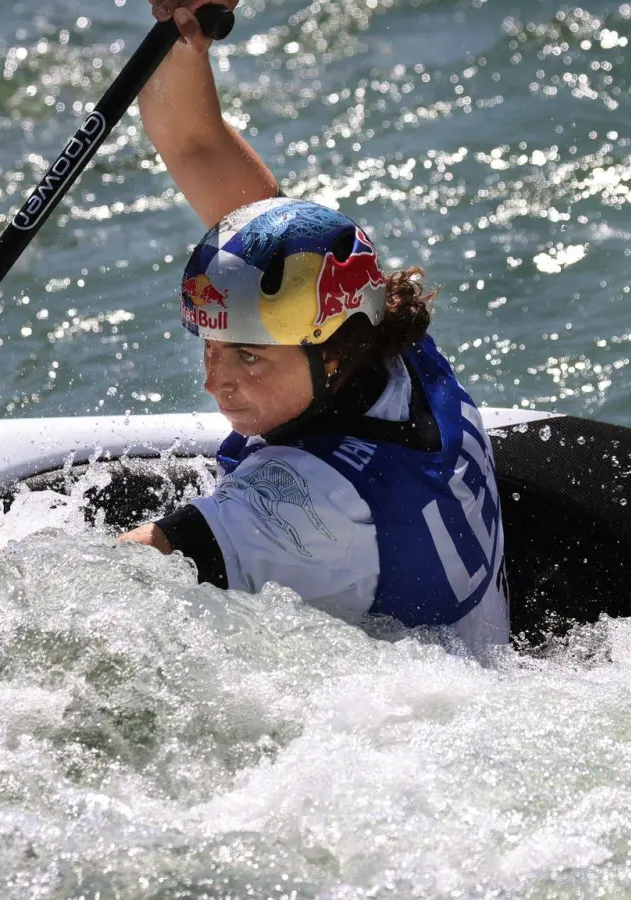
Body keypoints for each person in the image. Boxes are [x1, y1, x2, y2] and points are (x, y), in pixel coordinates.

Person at [121, 0, 510, 652]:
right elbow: (195, 141)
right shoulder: (387, 337)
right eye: (211, 348)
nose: (218, 384)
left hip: (410, 735)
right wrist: (185, 38)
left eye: (247, 359)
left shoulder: (306, 500)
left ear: (331, 357)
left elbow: (97, 582)